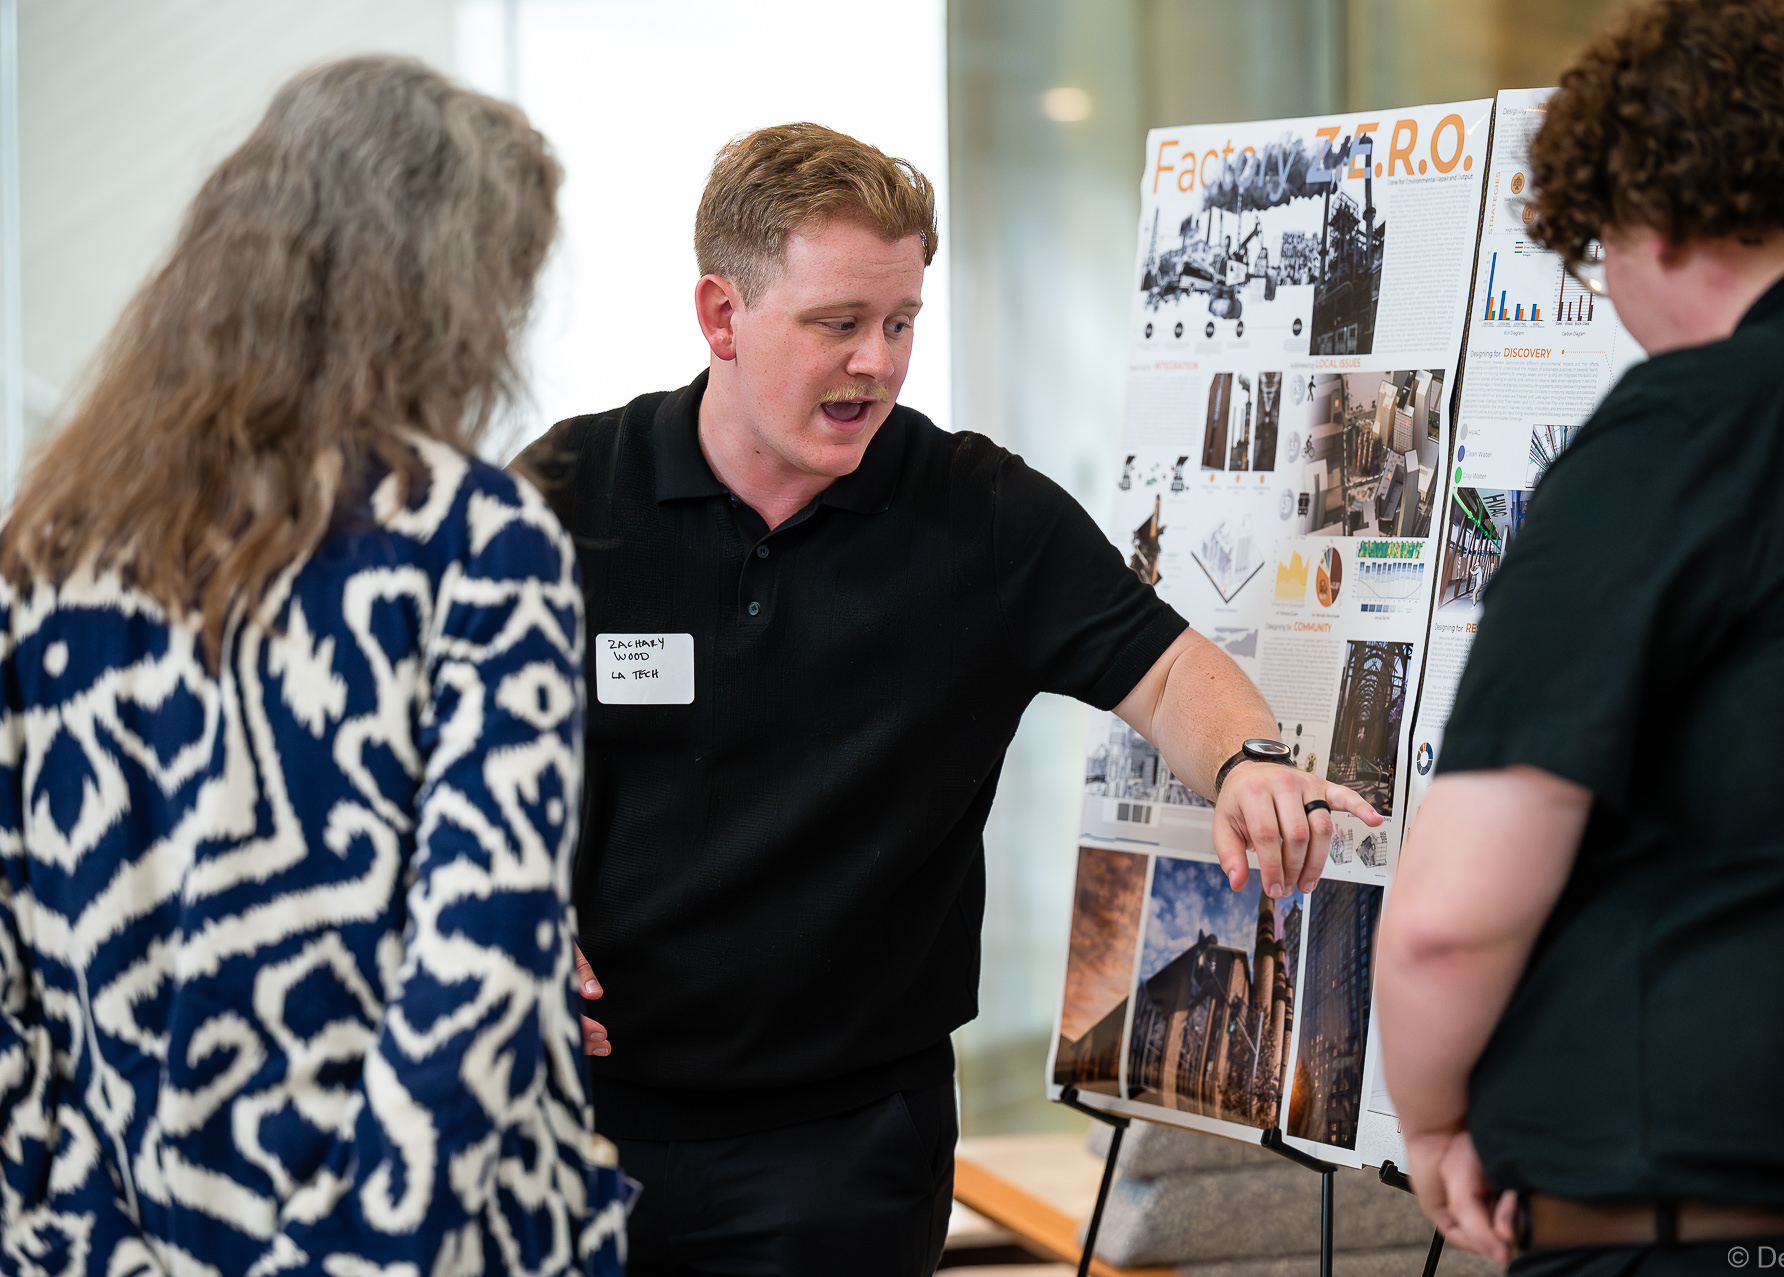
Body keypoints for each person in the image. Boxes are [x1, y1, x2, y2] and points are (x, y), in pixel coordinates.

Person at [515, 121, 1381, 1275]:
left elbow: (1171, 669)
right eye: (838, 325)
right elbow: (425, 750)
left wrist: (1248, 760)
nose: (877, 361)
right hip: (562, 1118)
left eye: (901, 322)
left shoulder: (976, 511)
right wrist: (496, 912)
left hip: (840, 1149)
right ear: (721, 316)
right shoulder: (569, 495)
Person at [0, 58, 632, 1274]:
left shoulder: (47, 552)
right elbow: (482, 958)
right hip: (439, 1243)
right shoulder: (475, 542)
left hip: (134, 1234)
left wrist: (83, 1242)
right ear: (440, 291)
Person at [1375, 1, 1784, 1272]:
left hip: (1709, 1211)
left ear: (1651, 221)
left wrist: (1435, 1115)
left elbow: (1454, 914)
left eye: (1597, 254)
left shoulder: (1706, 418)